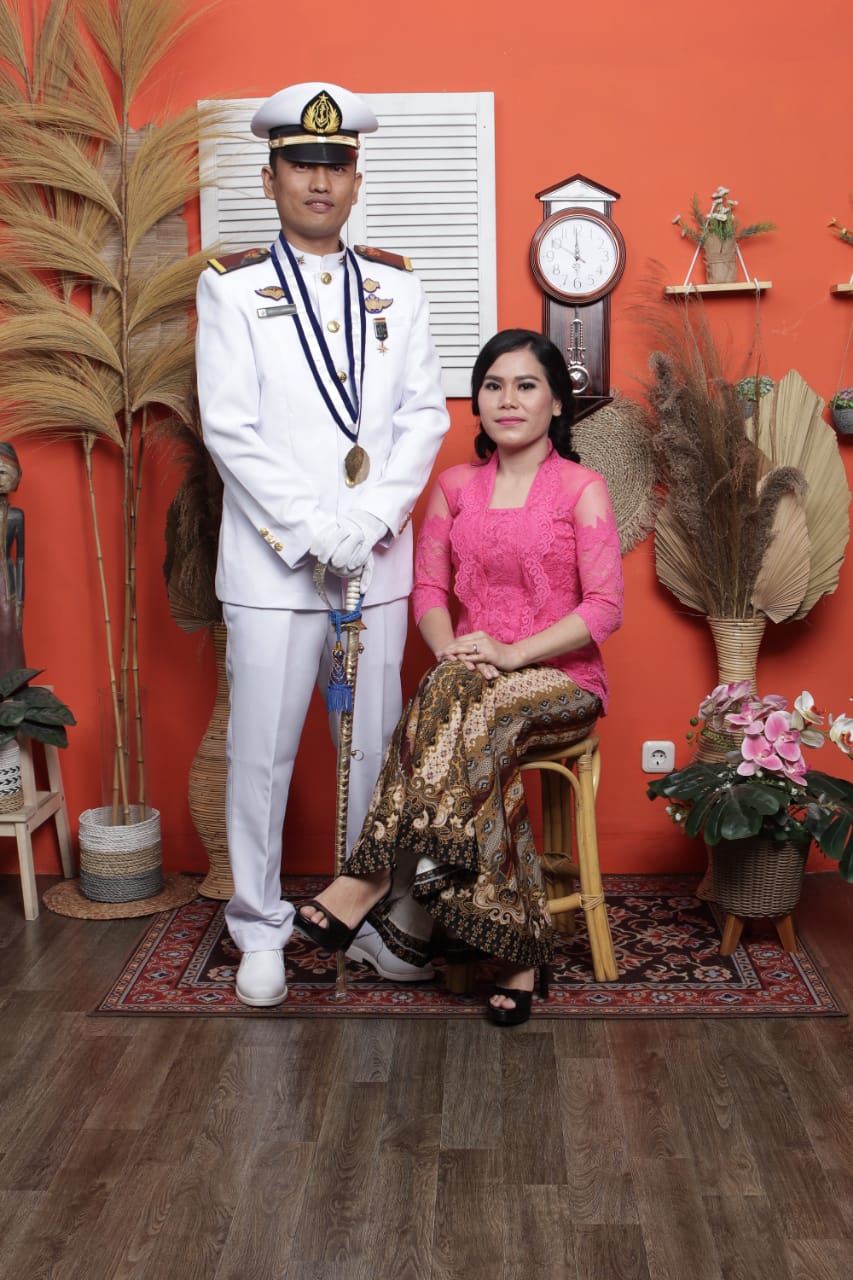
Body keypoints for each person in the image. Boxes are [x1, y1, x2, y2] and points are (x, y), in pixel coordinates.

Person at [196, 82, 449, 1007]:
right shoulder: (230, 287)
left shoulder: (398, 285)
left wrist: (369, 524)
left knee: (373, 753)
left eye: (335, 165)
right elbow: (230, 429)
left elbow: (423, 417)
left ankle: (364, 919)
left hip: (373, 563)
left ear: (355, 180)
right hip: (273, 567)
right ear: (270, 179)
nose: (318, 181)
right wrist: (313, 530)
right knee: (261, 756)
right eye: (301, 164)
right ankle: (259, 925)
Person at [296, 329, 624, 1025]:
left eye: (527, 386)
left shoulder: (582, 488)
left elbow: (604, 608)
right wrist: (452, 653)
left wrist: (511, 653)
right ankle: (518, 948)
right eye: (493, 386)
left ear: (556, 404)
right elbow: (427, 592)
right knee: (457, 698)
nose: (508, 400)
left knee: (481, 714)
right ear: (475, 402)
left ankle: (375, 881)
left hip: (559, 679)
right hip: (470, 678)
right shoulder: (452, 487)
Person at [0, 442, 25, 677]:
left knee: (9, 629)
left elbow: (21, 560)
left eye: (4, 471)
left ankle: (11, 683)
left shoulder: (16, 516)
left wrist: (21, 601)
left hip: (6, 580)